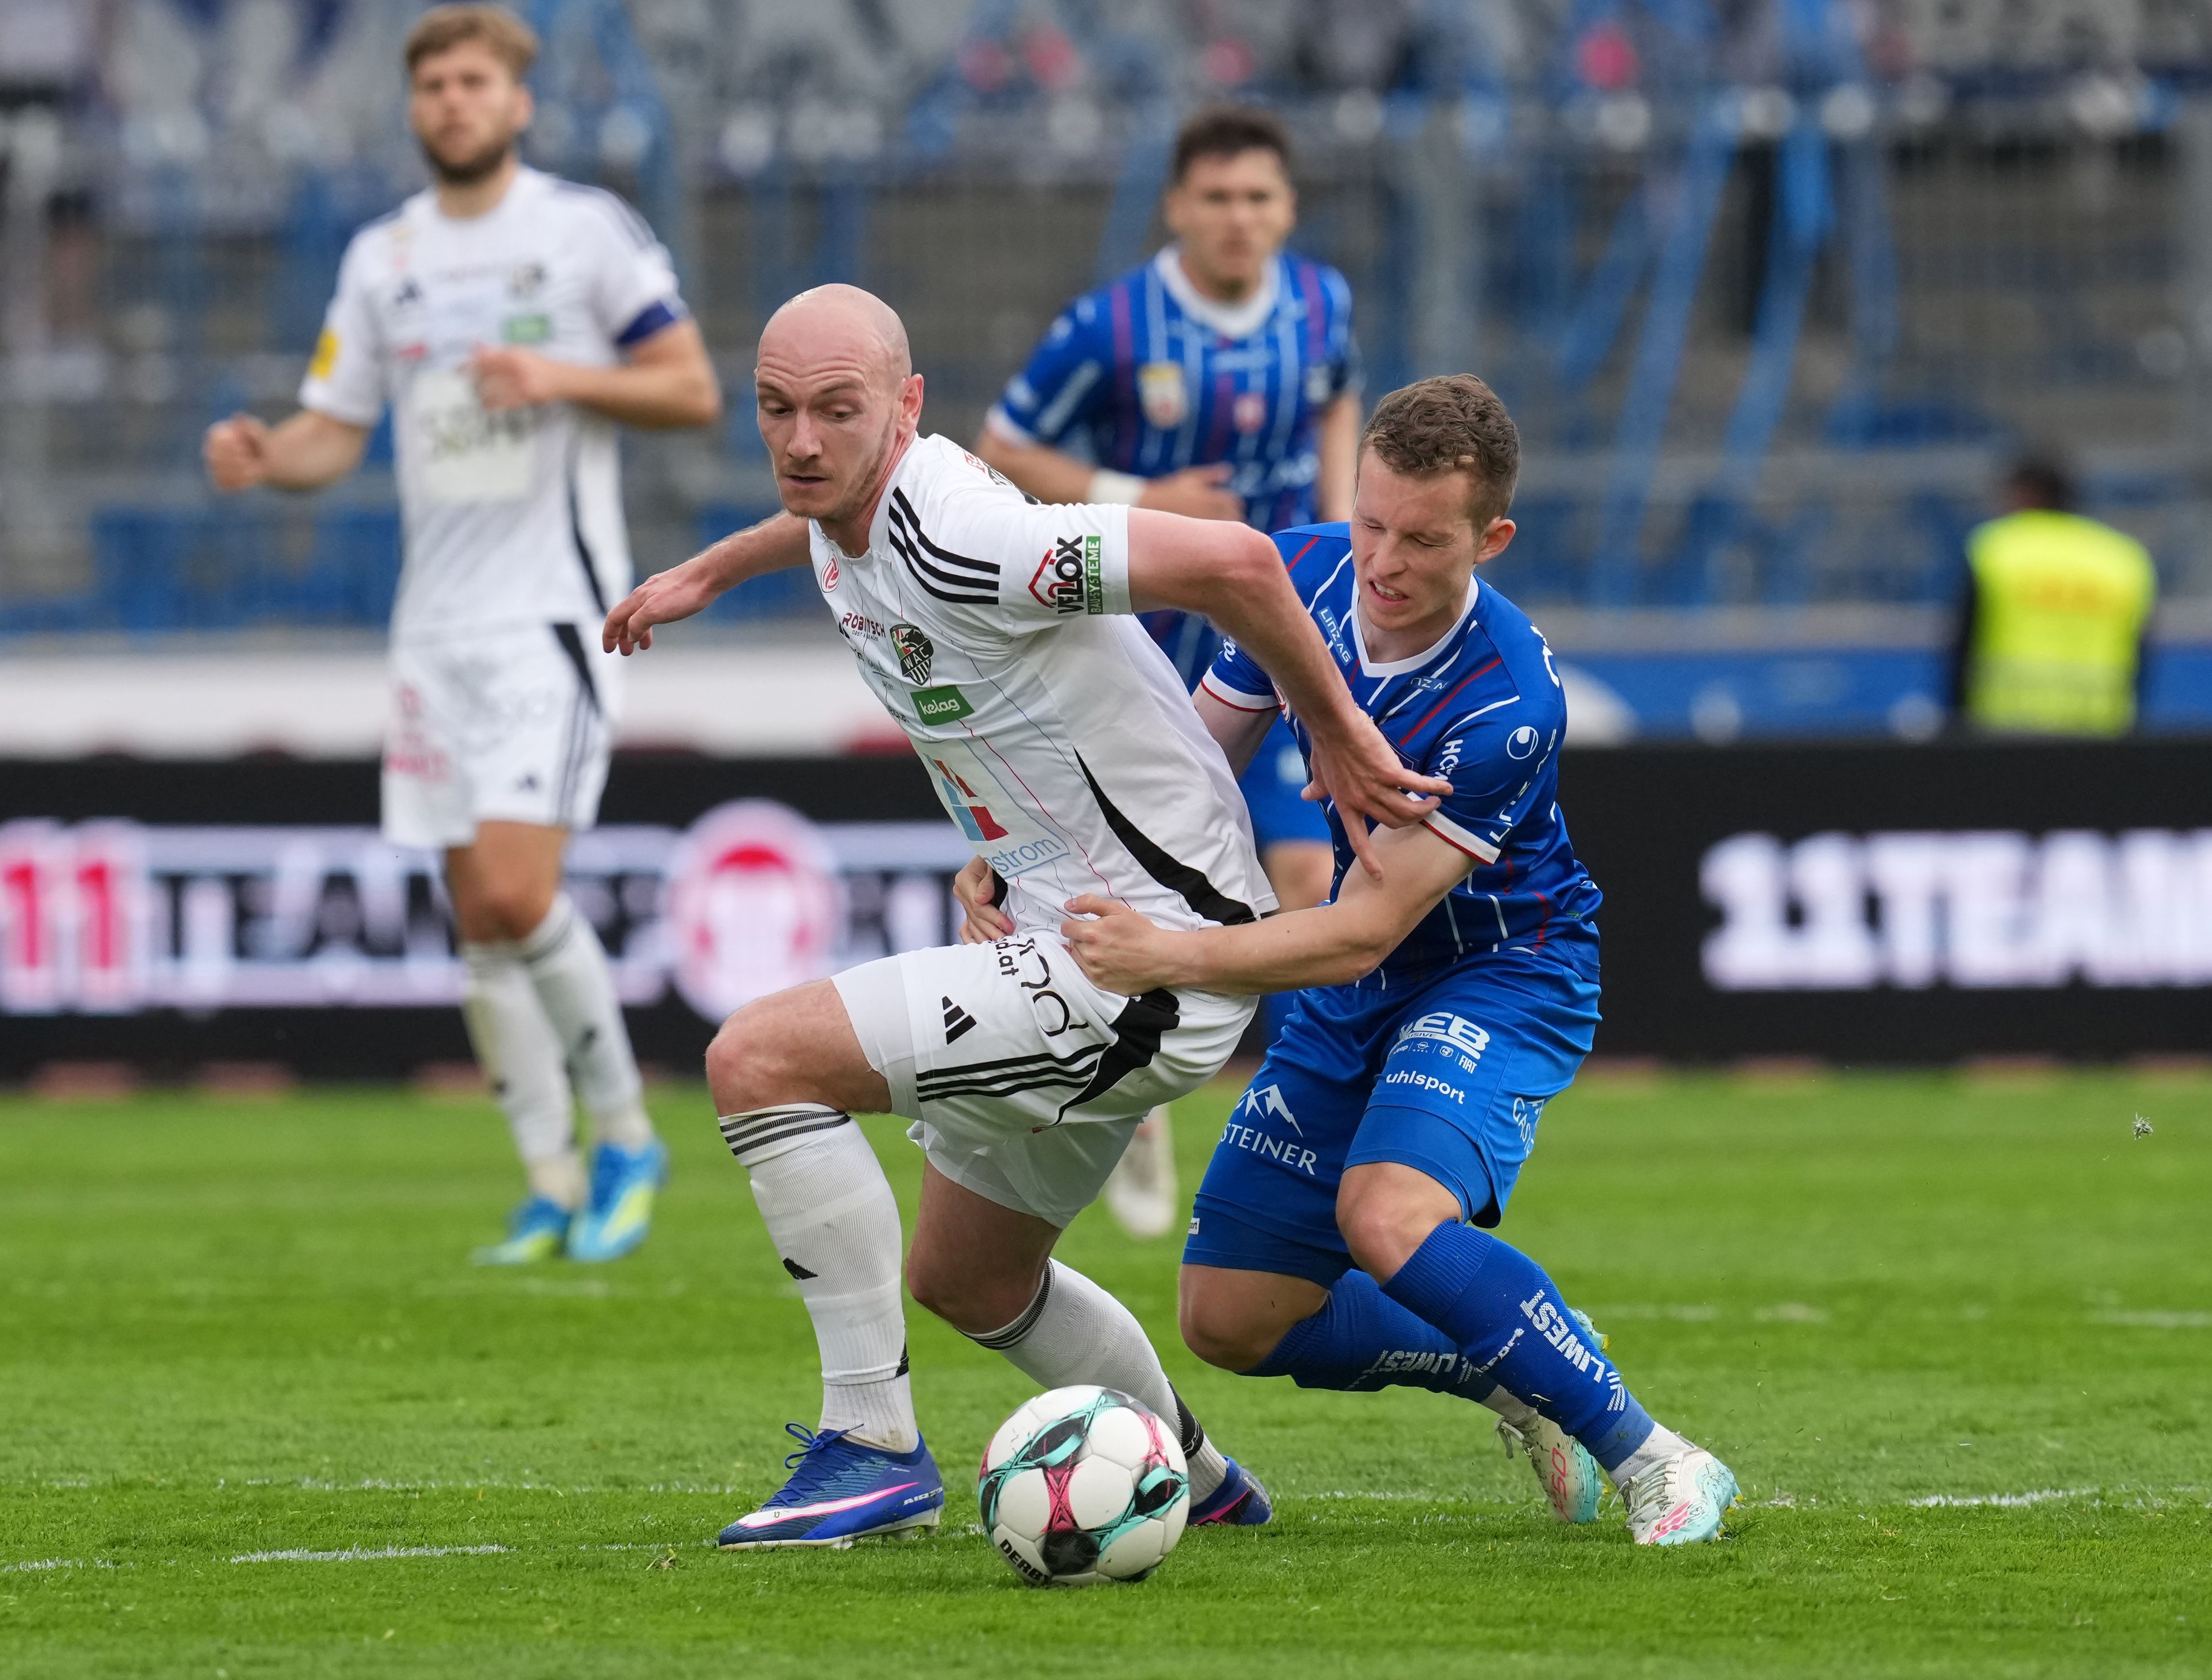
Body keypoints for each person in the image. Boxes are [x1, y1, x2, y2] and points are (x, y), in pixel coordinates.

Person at [603, 283, 1447, 1549]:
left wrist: (1331, 727)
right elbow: (818, 525)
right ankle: (1194, 1476)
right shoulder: (851, 502)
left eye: (838, 410)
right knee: (970, 1279)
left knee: (756, 1059)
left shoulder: (962, 533)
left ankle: (870, 1448)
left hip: (1144, 957)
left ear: (907, 408)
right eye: (777, 410)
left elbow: (1236, 561)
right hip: (1067, 922)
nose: (801, 442)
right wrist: (707, 571)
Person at [1036, 375, 1742, 1546]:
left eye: (1420, 539)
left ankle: (1655, 1457)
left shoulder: (1505, 700)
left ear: (1490, 538)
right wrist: (1040, 865)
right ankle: (1507, 1368)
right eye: (1369, 523)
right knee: (1228, 1319)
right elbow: (1190, 771)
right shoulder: (1301, 571)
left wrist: (1170, 952)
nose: (1381, 561)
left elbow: (1366, 923)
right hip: (1352, 983)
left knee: (1385, 1216)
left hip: (1497, 972)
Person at [202, 5, 721, 1265]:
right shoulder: (386, 259)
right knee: (474, 916)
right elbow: (337, 426)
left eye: (474, 80)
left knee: (512, 888)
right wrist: (271, 455)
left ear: (517, 100)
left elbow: (692, 386)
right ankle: (547, 1178)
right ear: (414, 103)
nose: (452, 100)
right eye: (433, 83)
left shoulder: (582, 232)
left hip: (549, 610)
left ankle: (628, 1137)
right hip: (431, 627)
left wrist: (562, 378)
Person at [977, 105, 1356, 1239]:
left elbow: (1336, 397)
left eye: (1258, 199)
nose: (1238, 220)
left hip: (1278, 636)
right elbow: (1001, 446)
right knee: (1121, 894)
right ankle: (1127, 1101)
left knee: (1303, 883)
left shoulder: (1322, 302)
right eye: (1217, 199)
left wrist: (1335, 531)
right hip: (1144, 648)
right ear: (1176, 208)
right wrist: (1136, 503)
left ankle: (1290, 1140)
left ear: (1285, 209)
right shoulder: (1112, 327)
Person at [1948, 453, 2156, 737]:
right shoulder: (2122, 559)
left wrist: (1955, 726)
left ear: (2025, 495)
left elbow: (1964, 645)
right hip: (2100, 731)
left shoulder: (1998, 548)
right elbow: (2140, 655)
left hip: (2006, 729)